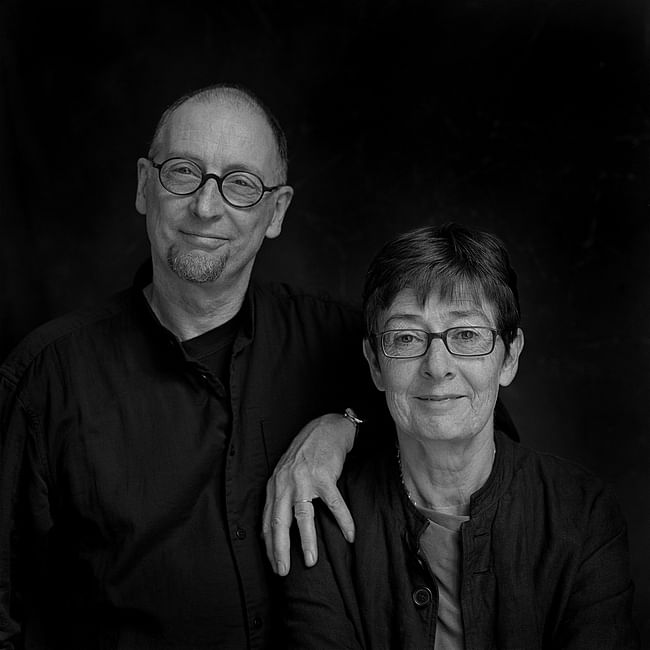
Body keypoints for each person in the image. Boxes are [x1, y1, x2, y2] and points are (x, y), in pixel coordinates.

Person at [0, 83, 376, 649]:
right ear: (143, 187)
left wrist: (347, 425)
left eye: (241, 184)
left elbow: (476, 444)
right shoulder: (46, 378)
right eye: (182, 172)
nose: (206, 206)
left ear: (276, 212)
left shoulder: (342, 342)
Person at [282, 223, 639, 649]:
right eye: (406, 336)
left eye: (466, 335)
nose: (437, 366)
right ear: (376, 364)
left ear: (509, 357)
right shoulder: (323, 520)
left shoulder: (582, 511)